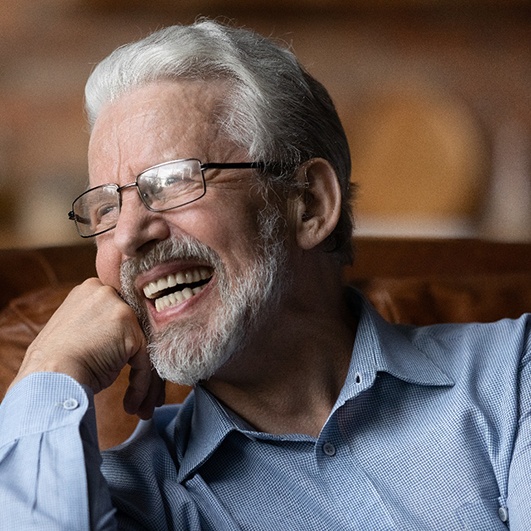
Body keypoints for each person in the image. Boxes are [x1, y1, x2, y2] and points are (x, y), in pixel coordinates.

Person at [0, 19, 529, 530]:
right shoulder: (129, 500)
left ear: (309, 204)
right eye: (107, 209)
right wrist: (50, 366)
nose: (127, 235)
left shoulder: (512, 377)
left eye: (172, 181)